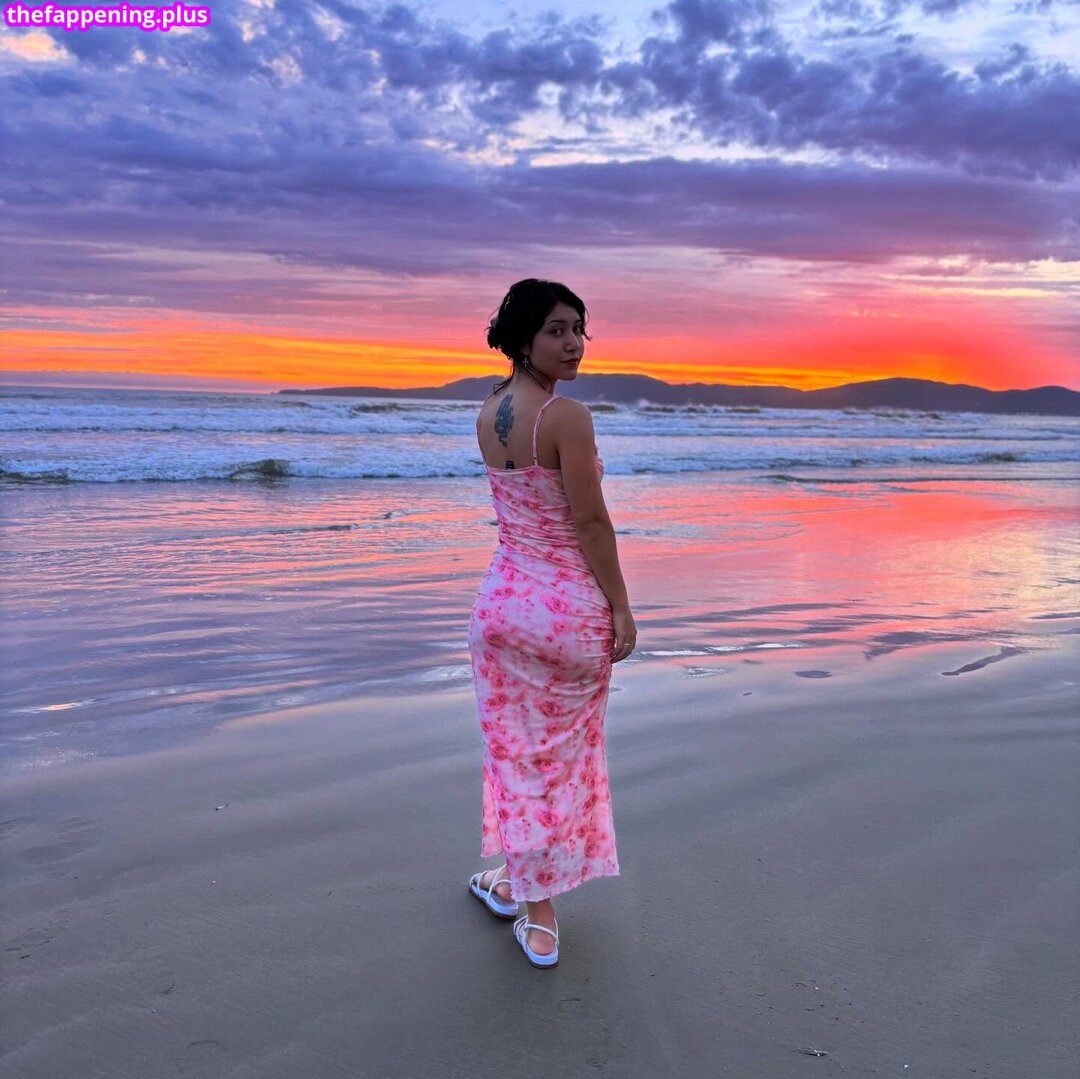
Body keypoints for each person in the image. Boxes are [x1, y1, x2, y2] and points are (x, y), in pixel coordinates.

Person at [466, 279, 637, 970]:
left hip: (500, 609)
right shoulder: (566, 416)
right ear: (523, 338)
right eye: (557, 330)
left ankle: (514, 881)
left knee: (517, 756)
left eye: (579, 329)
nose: (574, 344)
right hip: (564, 614)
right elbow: (589, 522)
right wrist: (620, 605)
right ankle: (539, 917)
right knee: (559, 764)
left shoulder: (488, 410)